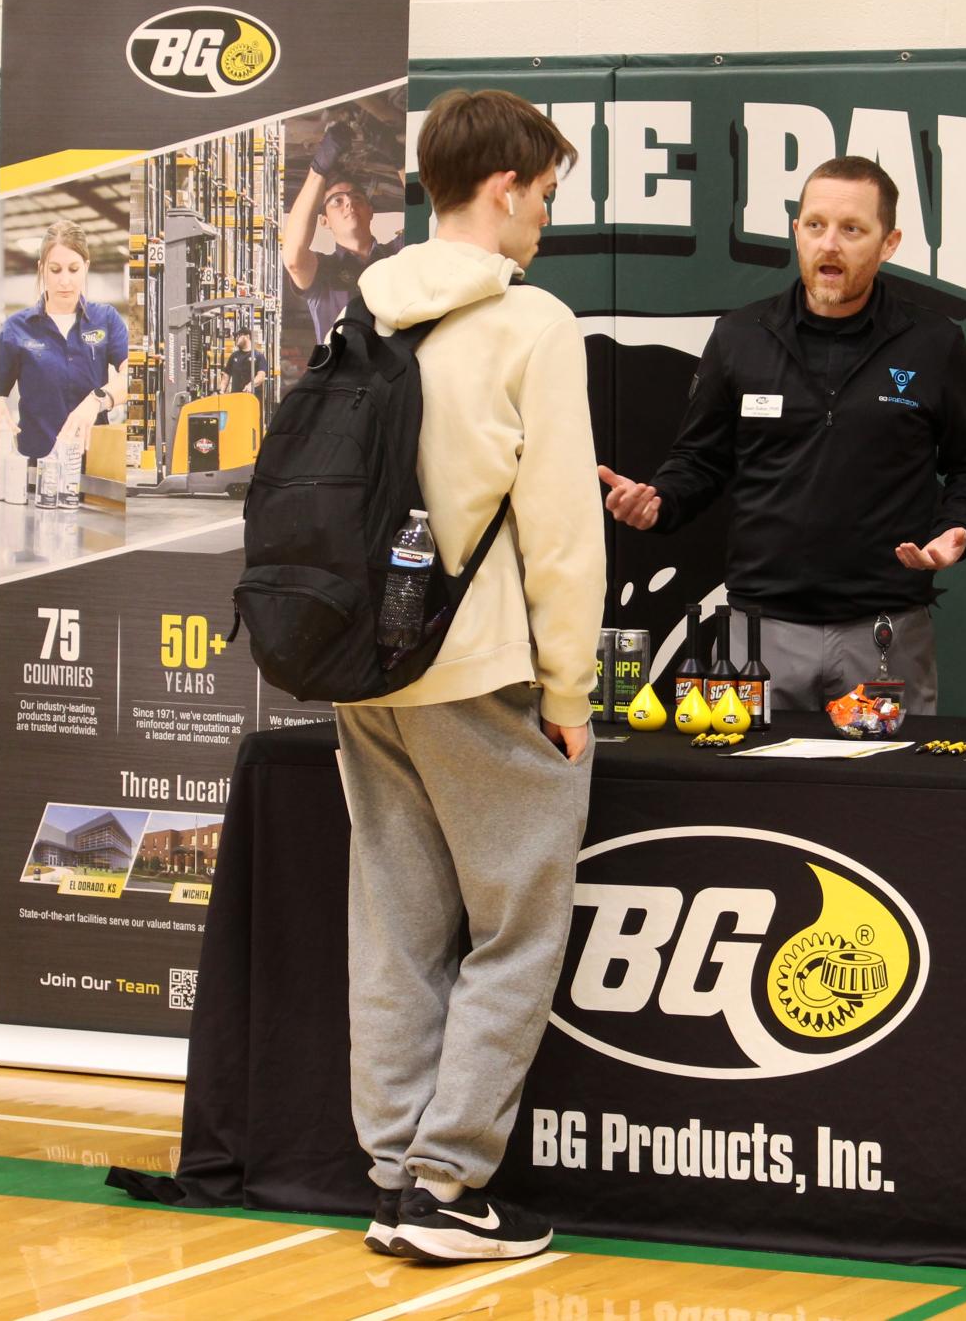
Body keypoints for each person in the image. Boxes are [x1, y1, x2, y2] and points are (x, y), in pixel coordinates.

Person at [336, 88, 599, 1264]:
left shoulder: (366, 308)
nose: (546, 217)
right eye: (544, 194)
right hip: (480, 663)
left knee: (395, 924)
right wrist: (569, 689)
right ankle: (448, 1188)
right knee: (517, 923)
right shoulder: (533, 323)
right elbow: (559, 534)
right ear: (502, 188)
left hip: (363, 663)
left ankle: (393, 1174)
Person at [597, 156, 966, 714]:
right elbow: (699, 459)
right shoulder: (741, 337)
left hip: (884, 634)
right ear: (796, 232)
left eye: (852, 230)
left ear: (889, 243)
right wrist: (660, 502)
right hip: (758, 633)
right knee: (751, 801)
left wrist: (957, 528)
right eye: (815, 226)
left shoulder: (933, 344)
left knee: (889, 800)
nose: (829, 245)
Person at [0, 221, 129, 510]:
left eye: (73, 269)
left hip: (96, 479)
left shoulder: (106, 319)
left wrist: (98, 400)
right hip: (31, 481)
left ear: (87, 267)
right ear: (42, 267)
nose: (64, 281)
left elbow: (132, 376)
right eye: (55, 270)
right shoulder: (16, 328)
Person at [283, 120, 402, 341]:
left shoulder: (398, 255)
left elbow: (430, 217)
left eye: (356, 197)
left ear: (370, 210)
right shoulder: (323, 273)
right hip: (345, 374)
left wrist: (399, 158)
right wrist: (318, 168)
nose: (348, 202)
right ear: (324, 221)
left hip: (400, 374)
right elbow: (293, 259)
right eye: (337, 201)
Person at [223, 330, 267, 395]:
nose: (236, 338)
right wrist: (222, 390)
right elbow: (226, 375)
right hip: (236, 396)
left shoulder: (258, 356)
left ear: (247, 336)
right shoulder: (234, 356)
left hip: (251, 397)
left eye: (239, 336)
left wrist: (251, 385)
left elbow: (261, 375)